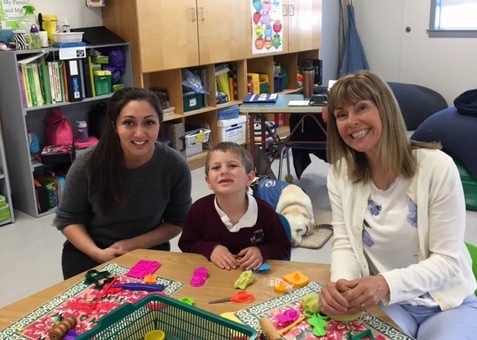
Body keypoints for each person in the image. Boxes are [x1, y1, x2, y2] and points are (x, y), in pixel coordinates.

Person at [319, 70, 477, 339]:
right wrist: (341, 284)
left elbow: (447, 261)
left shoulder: (436, 166)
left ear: (386, 109)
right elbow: (344, 242)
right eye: (341, 115)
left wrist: (384, 283)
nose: (352, 121)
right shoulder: (340, 174)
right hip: (386, 304)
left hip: (447, 304)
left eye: (361, 108)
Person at [54, 87, 192, 279]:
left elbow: (176, 222)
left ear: (159, 124)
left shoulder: (175, 165)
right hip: (89, 251)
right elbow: (68, 219)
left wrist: (134, 244)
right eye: (128, 123)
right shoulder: (88, 163)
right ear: (114, 126)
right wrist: (98, 253)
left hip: (148, 248)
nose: (139, 133)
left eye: (149, 123)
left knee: (149, 305)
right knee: (90, 307)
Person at [178, 142, 291, 270]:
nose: (224, 171)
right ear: (208, 181)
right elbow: (186, 244)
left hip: (256, 282)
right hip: (213, 281)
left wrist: (262, 251)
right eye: (216, 168)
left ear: (249, 178)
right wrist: (211, 249)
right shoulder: (198, 210)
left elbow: (283, 248)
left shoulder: (265, 212)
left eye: (232, 166)